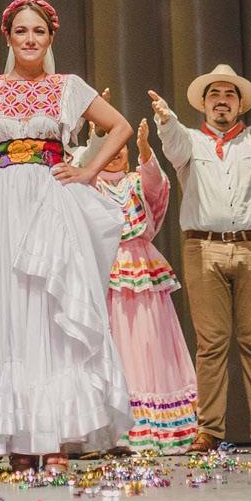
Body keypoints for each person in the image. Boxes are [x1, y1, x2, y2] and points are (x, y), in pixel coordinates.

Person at [0, 0, 135, 471]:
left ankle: (57, 438)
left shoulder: (68, 86)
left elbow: (120, 127)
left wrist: (87, 171)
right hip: (4, 202)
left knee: (51, 311)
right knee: (8, 312)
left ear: (50, 37)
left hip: (51, 200)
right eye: (21, 31)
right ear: (7, 36)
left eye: (38, 31)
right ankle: (21, 440)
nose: (30, 39)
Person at [150, 44, 251, 454]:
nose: (221, 100)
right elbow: (173, 144)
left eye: (229, 94)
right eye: (214, 94)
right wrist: (166, 119)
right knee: (211, 344)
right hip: (204, 248)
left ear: (239, 104)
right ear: (203, 103)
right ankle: (208, 430)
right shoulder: (191, 141)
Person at [93, 116, 199, 454]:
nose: (116, 154)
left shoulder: (136, 182)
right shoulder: (90, 184)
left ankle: (154, 425)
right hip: (106, 269)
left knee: (150, 341)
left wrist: (144, 150)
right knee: (114, 341)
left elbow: (156, 186)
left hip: (142, 268)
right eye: (108, 147)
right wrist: (94, 140)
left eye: (121, 148)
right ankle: (113, 428)